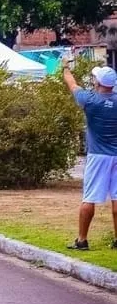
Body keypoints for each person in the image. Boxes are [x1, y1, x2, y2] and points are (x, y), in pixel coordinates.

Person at [63, 63, 117, 250]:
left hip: (98, 155)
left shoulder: (90, 100)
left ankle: (82, 240)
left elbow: (72, 84)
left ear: (99, 82)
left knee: (90, 198)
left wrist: (65, 68)